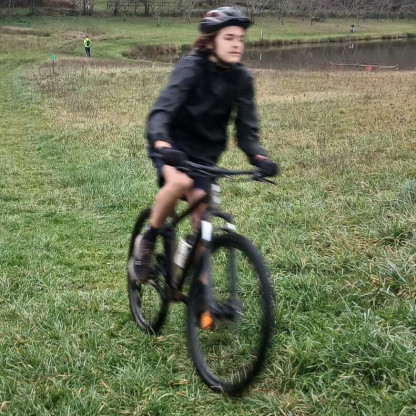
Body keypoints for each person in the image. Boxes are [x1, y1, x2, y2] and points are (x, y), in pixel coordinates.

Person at [129, 7, 278, 283]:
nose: (237, 44)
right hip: (171, 146)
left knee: (203, 222)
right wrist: (161, 142)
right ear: (211, 41)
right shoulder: (191, 67)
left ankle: (199, 290)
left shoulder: (241, 79)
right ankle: (147, 241)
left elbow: (246, 130)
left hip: (205, 157)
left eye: (240, 39)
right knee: (180, 183)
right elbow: (162, 111)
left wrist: (259, 157)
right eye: (229, 38)